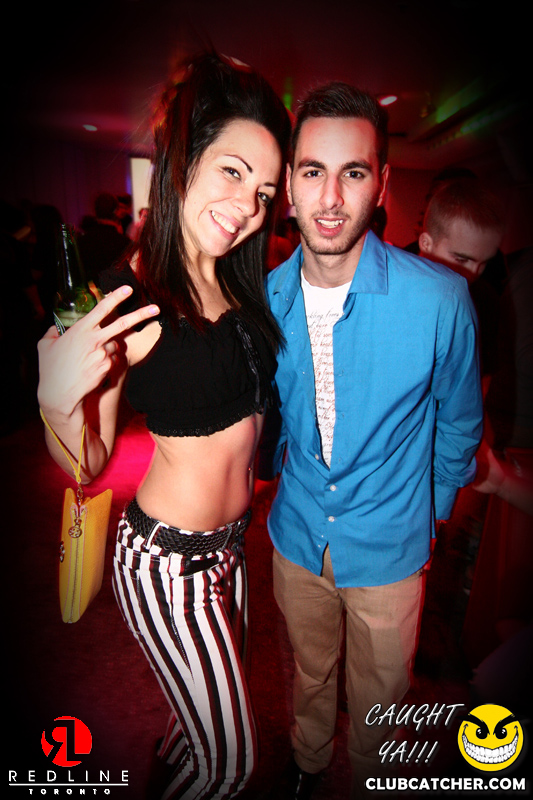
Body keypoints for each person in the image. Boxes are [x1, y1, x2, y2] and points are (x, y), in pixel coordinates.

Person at [37, 52, 290, 800]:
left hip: (231, 550)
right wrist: (57, 401)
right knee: (230, 764)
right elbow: (87, 464)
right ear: (183, 161)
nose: (249, 205)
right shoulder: (126, 299)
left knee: (194, 726)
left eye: (264, 190)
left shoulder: (241, 280)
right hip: (165, 563)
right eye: (233, 172)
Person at [264, 82, 483, 799]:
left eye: (352, 172)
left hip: (391, 547)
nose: (330, 198)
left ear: (381, 183)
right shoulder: (263, 301)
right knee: (309, 670)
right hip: (297, 535)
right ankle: (306, 763)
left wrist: (432, 515)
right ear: (288, 181)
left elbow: (459, 423)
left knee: (382, 698)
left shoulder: (442, 300)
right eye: (312, 171)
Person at [418, 178, 505, 378]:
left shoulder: (484, 299)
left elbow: (482, 376)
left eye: (484, 263)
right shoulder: (389, 285)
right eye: (462, 260)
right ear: (426, 244)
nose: (474, 273)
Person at [77, 191, 132, 284]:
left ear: (95, 211)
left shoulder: (81, 241)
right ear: (116, 211)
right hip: (118, 290)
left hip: (91, 290)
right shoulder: (125, 243)